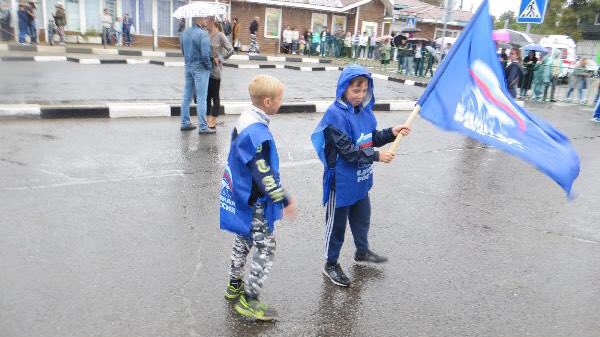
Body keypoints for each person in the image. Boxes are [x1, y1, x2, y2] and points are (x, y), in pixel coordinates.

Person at [311, 65, 410, 287]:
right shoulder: (334, 116)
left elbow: (371, 137)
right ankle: (331, 263)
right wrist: (377, 156)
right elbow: (348, 151)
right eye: (356, 90)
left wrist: (391, 132)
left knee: (362, 218)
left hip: (360, 180)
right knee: (336, 226)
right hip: (341, 182)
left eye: (364, 90)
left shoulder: (364, 111)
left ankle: (362, 251)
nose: (360, 95)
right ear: (344, 88)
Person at [221, 74, 297, 321]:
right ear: (267, 102)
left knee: (243, 239)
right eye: (279, 99)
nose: (281, 103)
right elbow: (262, 173)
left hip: (242, 195)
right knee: (266, 247)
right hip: (255, 200)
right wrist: (284, 198)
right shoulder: (256, 133)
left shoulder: (247, 117)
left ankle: (234, 285)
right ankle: (249, 300)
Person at [179, 16, 213, 133]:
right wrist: (209, 67)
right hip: (201, 68)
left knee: (187, 95)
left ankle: (185, 122)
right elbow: (205, 55)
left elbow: (183, 50)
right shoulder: (203, 34)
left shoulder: (185, 33)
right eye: (205, 18)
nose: (206, 20)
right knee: (202, 98)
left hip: (188, 66)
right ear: (199, 19)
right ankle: (203, 127)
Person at [207, 19, 234, 129]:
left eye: (208, 22)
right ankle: (207, 118)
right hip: (206, 69)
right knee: (206, 97)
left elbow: (231, 50)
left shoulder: (221, 35)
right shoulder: (207, 34)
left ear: (213, 23)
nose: (206, 23)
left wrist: (220, 59)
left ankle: (213, 119)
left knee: (215, 96)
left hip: (216, 69)